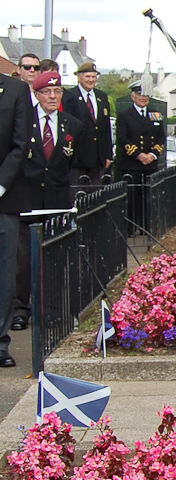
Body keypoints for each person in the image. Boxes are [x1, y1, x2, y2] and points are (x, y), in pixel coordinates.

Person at [12, 72, 83, 332]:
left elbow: (75, 164)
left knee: (55, 258)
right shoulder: (23, 120)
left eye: (57, 92)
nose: (52, 97)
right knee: (23, 260)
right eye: (47, 92)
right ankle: (21, 309)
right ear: (37, 94)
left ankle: (51, 309)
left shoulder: (72, 124)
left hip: (57, 200)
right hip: (27, 199)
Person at [0, 72, 34, 366]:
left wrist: (1, 184)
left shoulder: (15, 89)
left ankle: (0, 342)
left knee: (4, 272)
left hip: (4, 198)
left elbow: (20, 142)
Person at [116, 80, 165, 235]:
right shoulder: (124, 115)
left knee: (148, 197)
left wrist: (152, 155)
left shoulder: (155, 115)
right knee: (132, 198)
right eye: (140, 94)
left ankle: (147, 228)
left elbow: (161, 138)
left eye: (145, 95)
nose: (143, 98)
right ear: (133, 96)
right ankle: (130, 228)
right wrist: (139, 155)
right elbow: (123, 138)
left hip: (150, 163)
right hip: (132, 164)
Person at [61, 62, 113, 189]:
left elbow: (105, 127)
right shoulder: (70, 96)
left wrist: (108, 155)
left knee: (95, 196)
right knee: (77, 195)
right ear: (79, 77)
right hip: (78, 156)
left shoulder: (102, 96)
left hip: (98, 157)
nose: (91, 80)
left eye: (93, 77)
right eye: (87, 76)